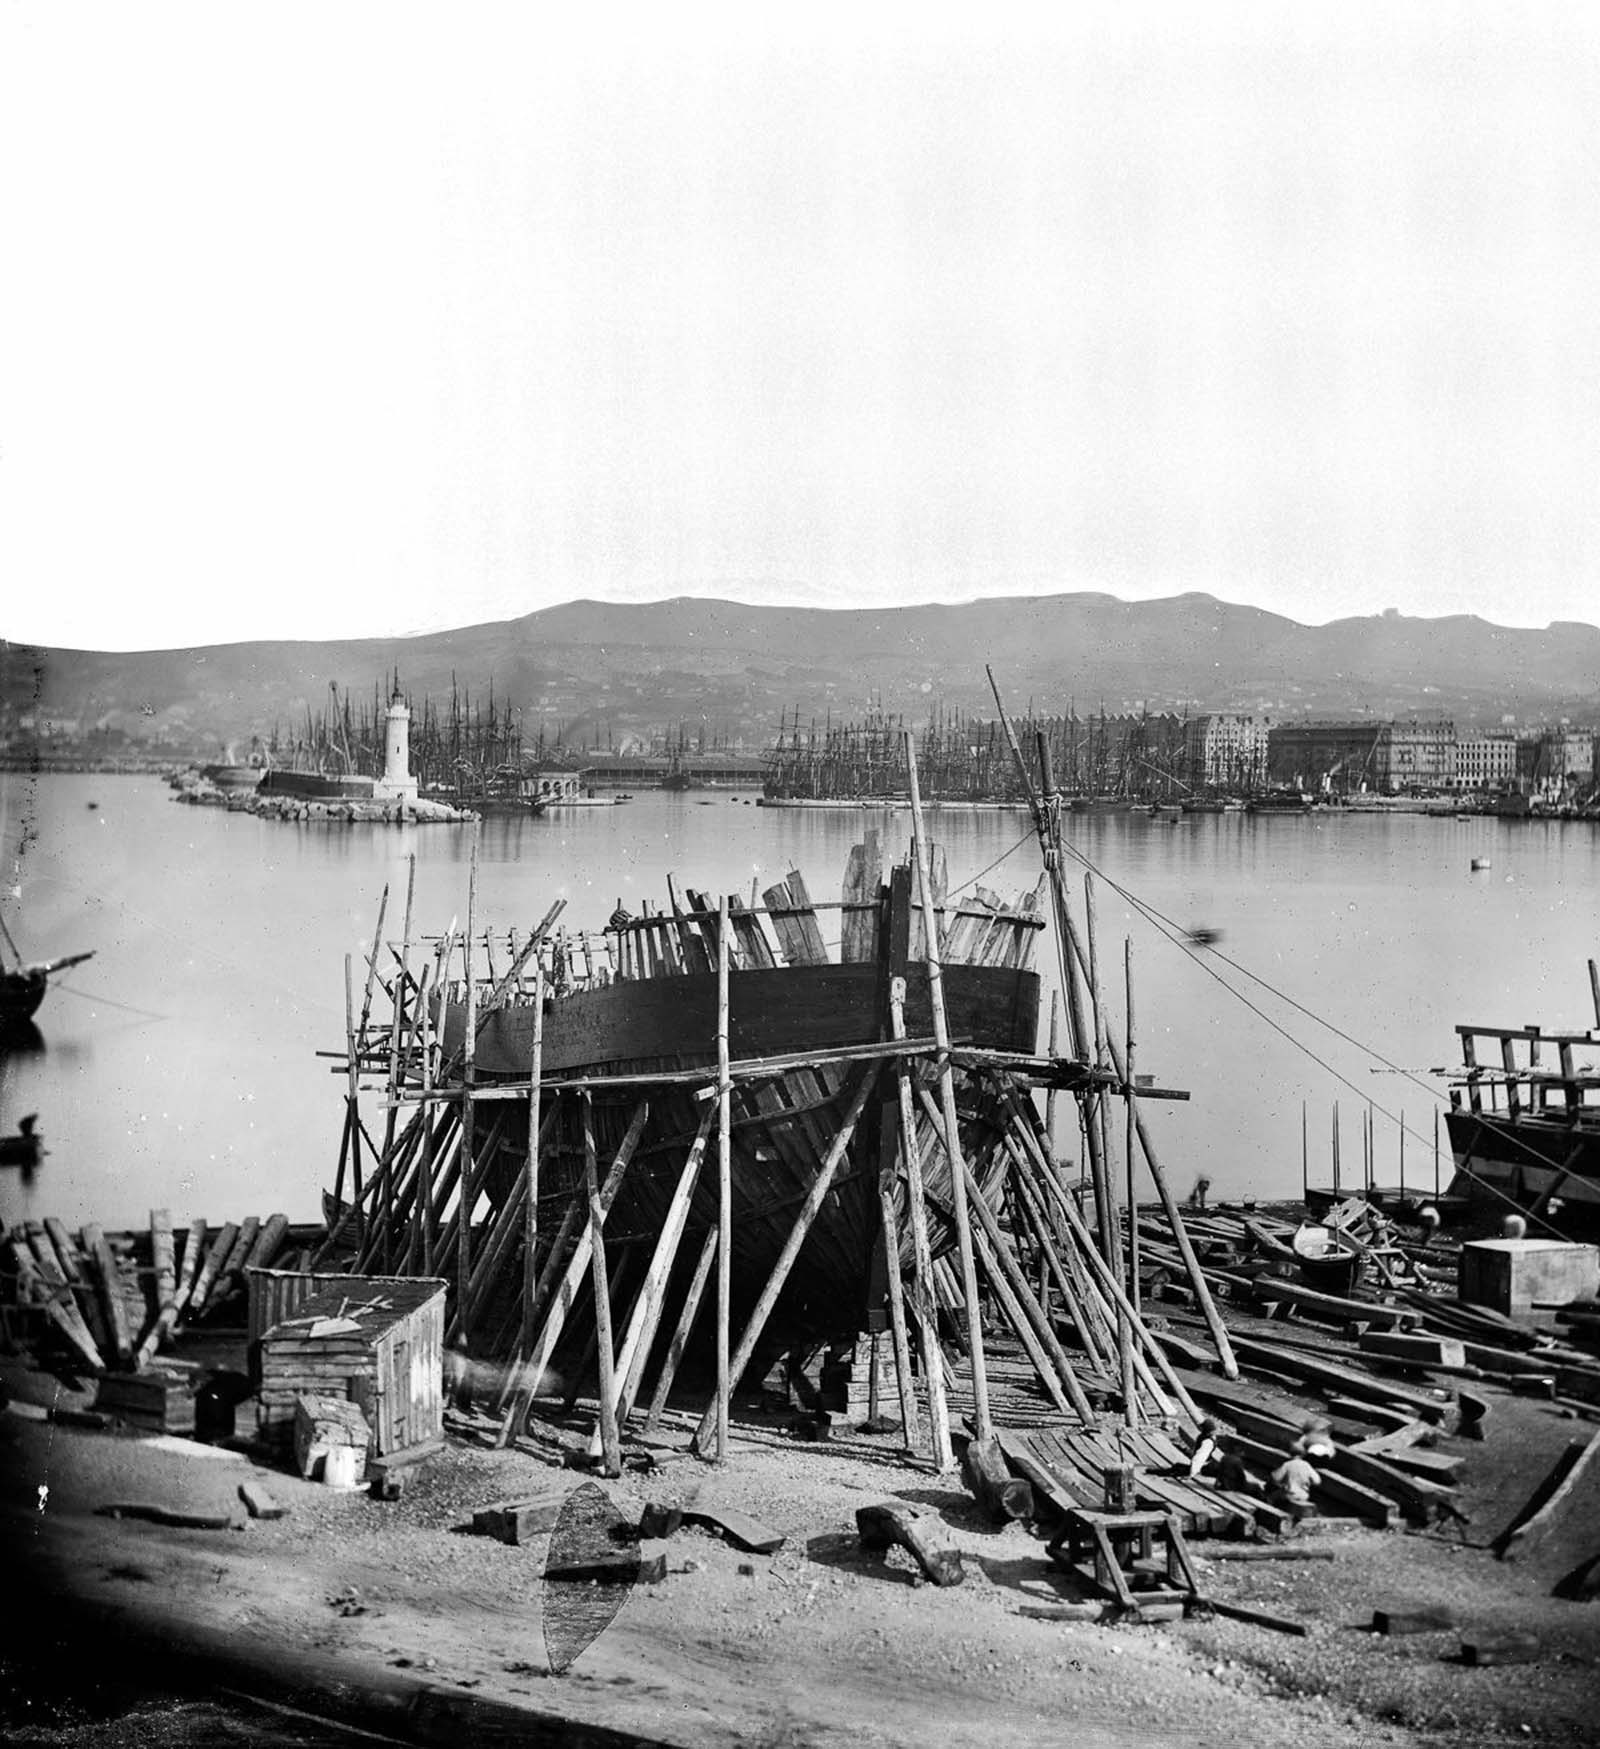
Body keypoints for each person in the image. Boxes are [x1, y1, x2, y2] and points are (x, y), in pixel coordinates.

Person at [1270, 1451, 1321, 1525]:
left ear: (1291, 1454)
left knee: (1271, 1497)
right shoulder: (1307, 1465)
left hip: (1289, 1494)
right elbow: (1317, 1481)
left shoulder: (1287, 1464)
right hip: (1304, 1495)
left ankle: (1273, 1519)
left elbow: (1275, 1478)